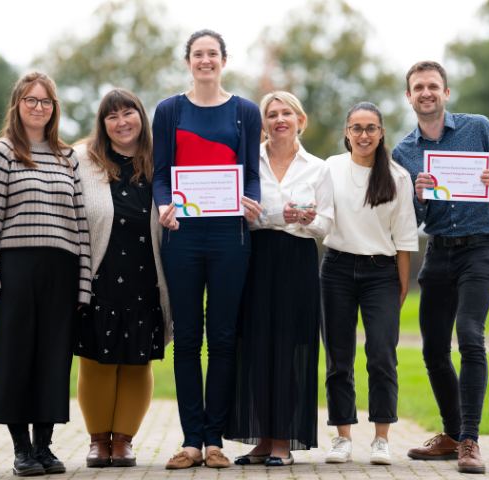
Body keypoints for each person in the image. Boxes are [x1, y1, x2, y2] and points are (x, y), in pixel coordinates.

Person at [392, 61, 489, 474]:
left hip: (481, 249)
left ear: (445, 93)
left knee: (470, 335)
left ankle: (470, 441)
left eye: (433, 86)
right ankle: (451, 432)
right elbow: (401, 214)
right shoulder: (403, 152)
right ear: (409, 97)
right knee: (432, 348)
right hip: (439, 252)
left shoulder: (478, 127)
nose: (426, 93)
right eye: (418, 87)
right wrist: (418, 197)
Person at [152, 29, 261, 469]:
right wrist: (164, 206)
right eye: (198, 54)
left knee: (222, 337)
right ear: (188, 61)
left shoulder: (245, 111)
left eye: (212, 54)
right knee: (187, 339)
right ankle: (191, 440)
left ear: (224, 60)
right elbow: (161, 174)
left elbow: (250, 173)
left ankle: (214, 441)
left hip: (229, 237)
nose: (205, 61)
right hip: (182, 235)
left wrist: (251, 203)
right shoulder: (169, 110)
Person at [0, 72, 91, 477]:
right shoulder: (2, 153)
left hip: (62, 270)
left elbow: (80, 224)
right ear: (17, 105)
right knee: (15, 356)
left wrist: (84, 282)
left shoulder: (67, 156)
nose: (38, 107)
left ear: (54, 107)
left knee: (54, 358)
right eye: (30, 100)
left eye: (45, 101)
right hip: (16, 267)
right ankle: (22, 449)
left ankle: (45, 446)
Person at [224, 91, 334, 466]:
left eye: (286, 112)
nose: (279, 119)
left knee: (288, 349)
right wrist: (276, 216)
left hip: (296, 260)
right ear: (263, 123)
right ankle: (262, 438)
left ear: (300, 120)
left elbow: (327, 224)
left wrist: (309, 220)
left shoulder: (318, 168)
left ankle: (283, 441)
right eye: (271, 114)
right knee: (254, 347)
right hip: (253, 259)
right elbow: (241, 213)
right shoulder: (246, 162)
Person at [73, 88, 173, 468]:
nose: (121, 122)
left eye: (127, 113)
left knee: (137, 361)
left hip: (148, 275)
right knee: (96, 359)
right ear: (102, 124)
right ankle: (99, 440)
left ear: (140, 117)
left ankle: (124, 441)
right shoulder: (82, 159)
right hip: (100, 272)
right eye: (111, 116)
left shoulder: (160, 160)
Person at [321, 102, 418, 466]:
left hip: (382, 274)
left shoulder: (398, 177)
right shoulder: (329, 168)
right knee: (338, 358)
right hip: (336, 270)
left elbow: (406, 240)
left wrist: (402, 287)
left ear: (381, 133)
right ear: (346, 132)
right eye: (357, 128)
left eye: (371, 128)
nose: (364, 135)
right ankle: (343, 435)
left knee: (381, 356)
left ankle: (381, 438)